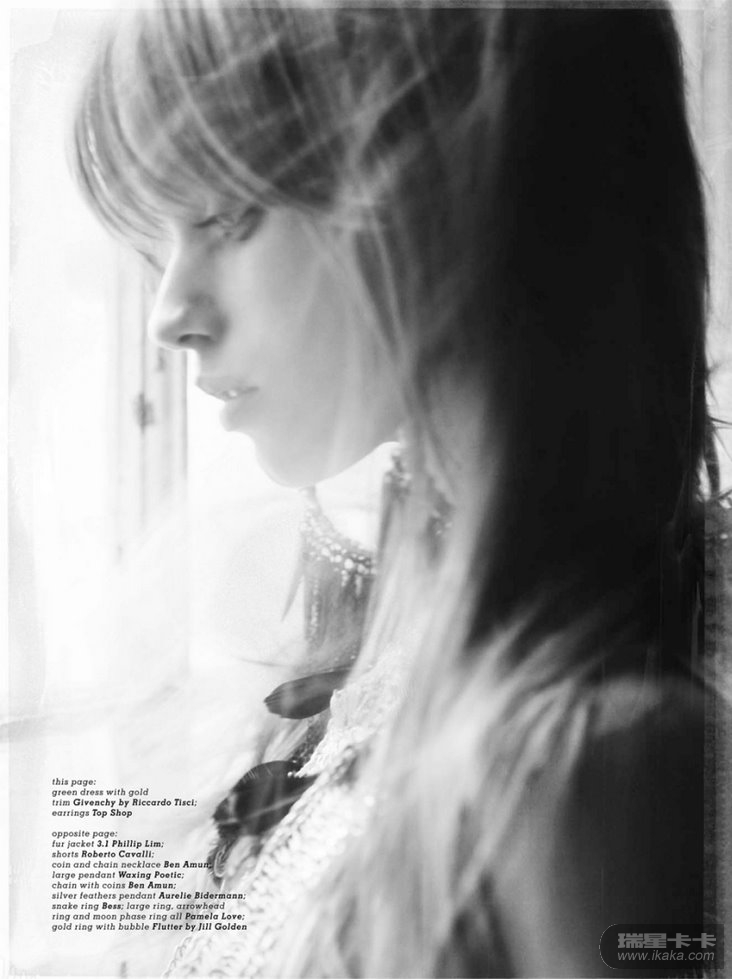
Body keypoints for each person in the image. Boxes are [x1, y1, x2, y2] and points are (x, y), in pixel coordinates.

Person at [71, 1, 728, 975]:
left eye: (225, 215)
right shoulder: (372, 641)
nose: (170, 314)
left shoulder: (595, 758)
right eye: (156, 241)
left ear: (446, 187)